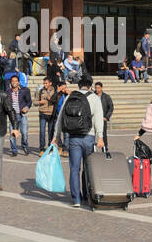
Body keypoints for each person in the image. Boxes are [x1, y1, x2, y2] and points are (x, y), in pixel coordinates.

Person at [53, 76, 104, 208]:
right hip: (89, 137)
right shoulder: (94, 98)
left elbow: (60, 118)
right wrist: (101, 137)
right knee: (88, 168)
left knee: (74, 168)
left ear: (79, 86)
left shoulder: (70, 97)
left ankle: (76, 198)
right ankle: (87, 194)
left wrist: (56, 136)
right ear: (90, 86)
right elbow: (98, 118)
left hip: (73, 137)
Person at [7, 74, 31, 155]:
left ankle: (24, 146)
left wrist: (26, 108)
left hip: (22, 115)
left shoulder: (24, 90)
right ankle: (14, 150)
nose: (14, 82)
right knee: (12, 135)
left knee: (24, 133)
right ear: (10, 82)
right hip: (12, 117)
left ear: (18, 82)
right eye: (12, 81)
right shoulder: (8, 91)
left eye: (16, 81)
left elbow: (29, 102)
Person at [93, 81, 115, 159]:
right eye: (96, 88)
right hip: (93, 119)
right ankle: (92, 149)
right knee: (92, 134)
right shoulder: (92, 96)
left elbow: (111, 107)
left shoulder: (106, 97)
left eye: (98, 88)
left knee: (103, 135)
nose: (97, 89)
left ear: (101, 88)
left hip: (102, 119)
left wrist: (107, 117)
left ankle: (105, 149)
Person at [36, 78, 58, 151]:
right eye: (44, 83)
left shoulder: (55, 91)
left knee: (50, 131)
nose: (45, 85)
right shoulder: (40, 91)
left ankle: (50, 147)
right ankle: (41, 148)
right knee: (42, 131)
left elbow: (56, 101)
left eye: (46, 83)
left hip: (51, 114)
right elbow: (35, 102)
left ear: (50, 83)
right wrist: (40, 102)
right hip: (43, 113)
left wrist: (50, 98)